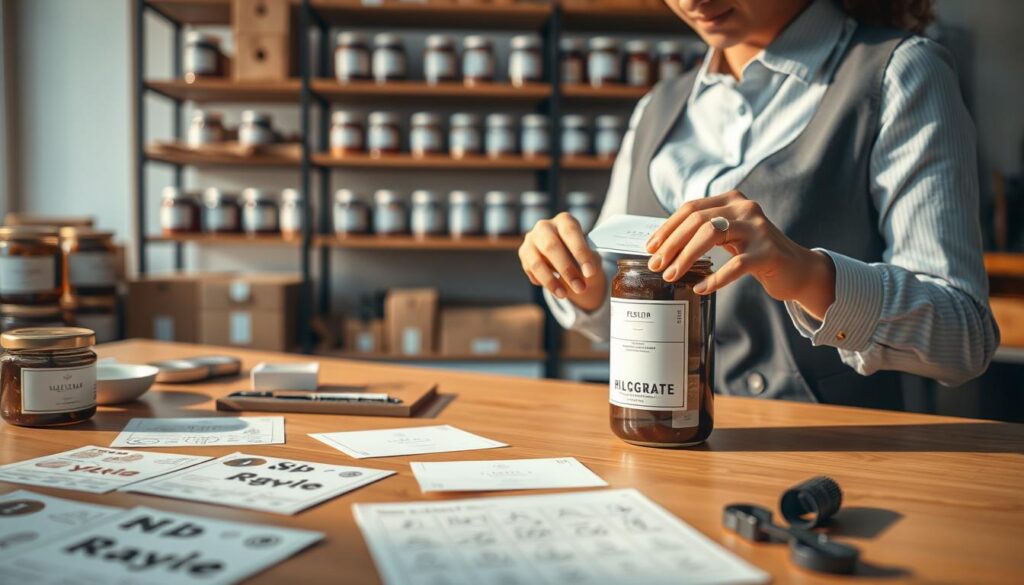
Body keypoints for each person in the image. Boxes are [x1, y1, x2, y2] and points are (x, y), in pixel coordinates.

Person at [519, 0, 1000, 408]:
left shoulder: (899, 73)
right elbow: (610, 316)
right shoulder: (658, 106)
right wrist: (579, 282)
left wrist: (810, 276)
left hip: (829, 467)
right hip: (667, 449)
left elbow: (964, 340)